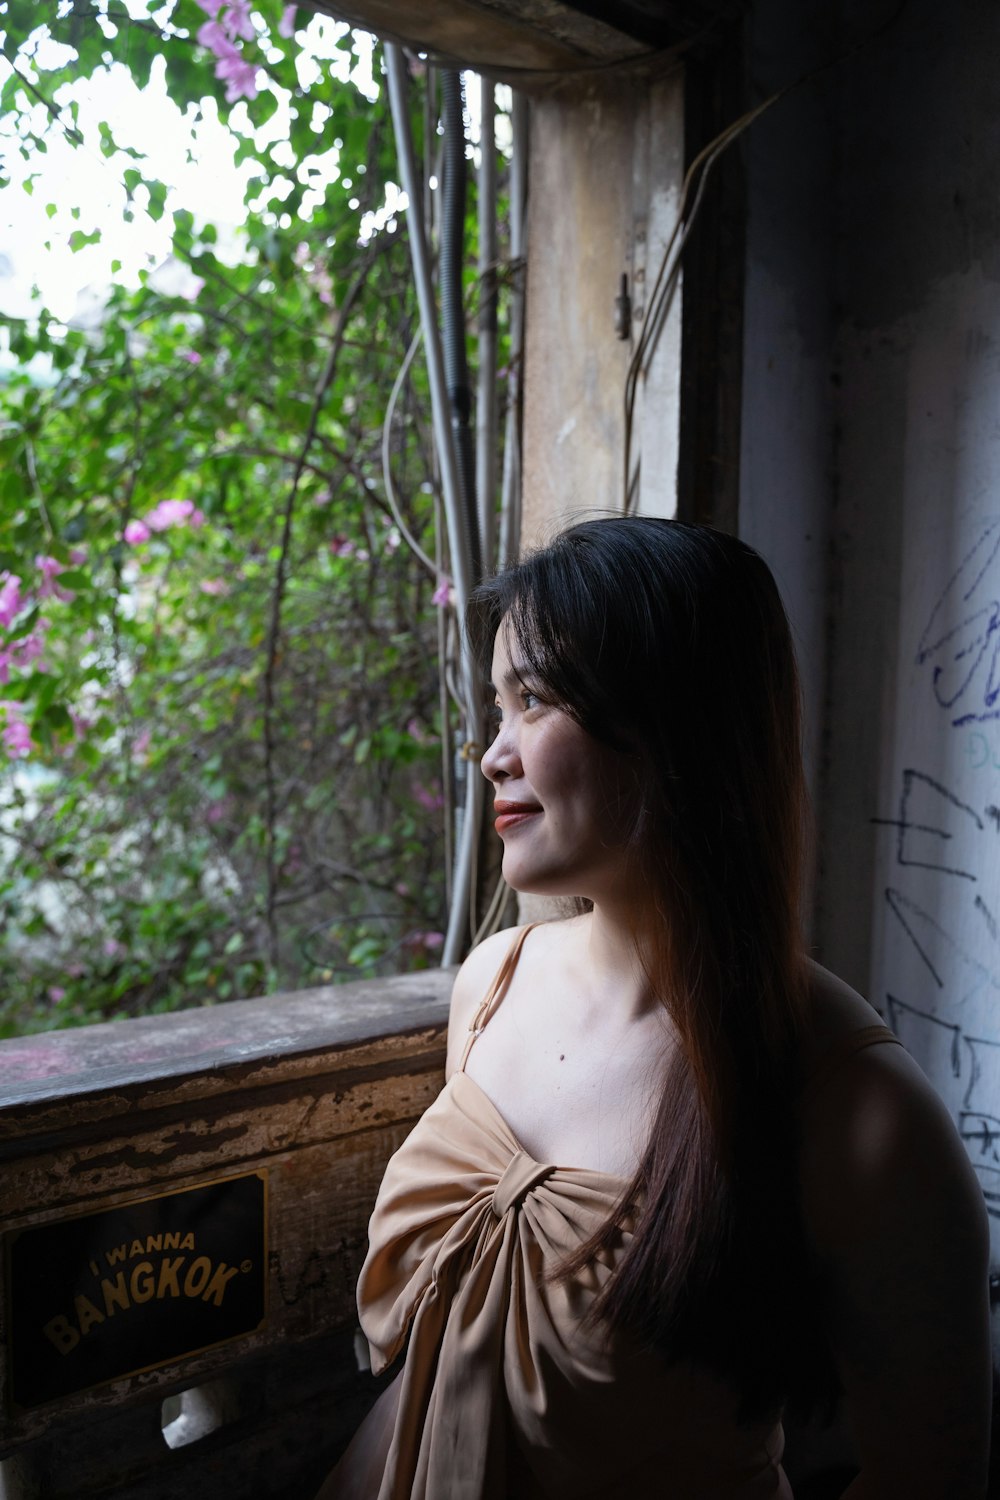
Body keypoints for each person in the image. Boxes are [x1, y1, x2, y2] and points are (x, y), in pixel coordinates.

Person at [319, 516, 991, 1500]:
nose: (491, 754)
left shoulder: (863, 1115)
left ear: (675, 722)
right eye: (495, 708)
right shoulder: (491, 985)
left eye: (535, 700)